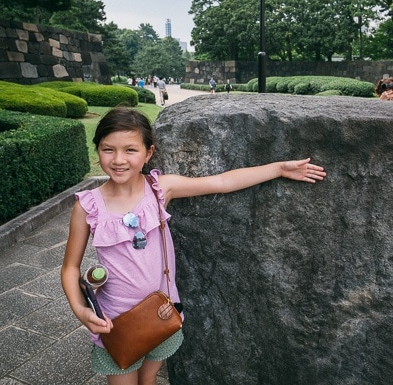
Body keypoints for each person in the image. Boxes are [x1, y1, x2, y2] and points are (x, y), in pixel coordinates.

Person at [60, 107, 326, 385]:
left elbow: (221, 182)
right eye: (108, 149)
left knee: (148, 381)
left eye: (130, 150)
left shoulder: (160, 189)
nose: (118, 160)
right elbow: (70, 267)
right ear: (97, 150)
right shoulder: (87, 206)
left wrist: (279, 168)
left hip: (162, 313)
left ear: (148, 153)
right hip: (116, 321)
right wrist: (81, 310)